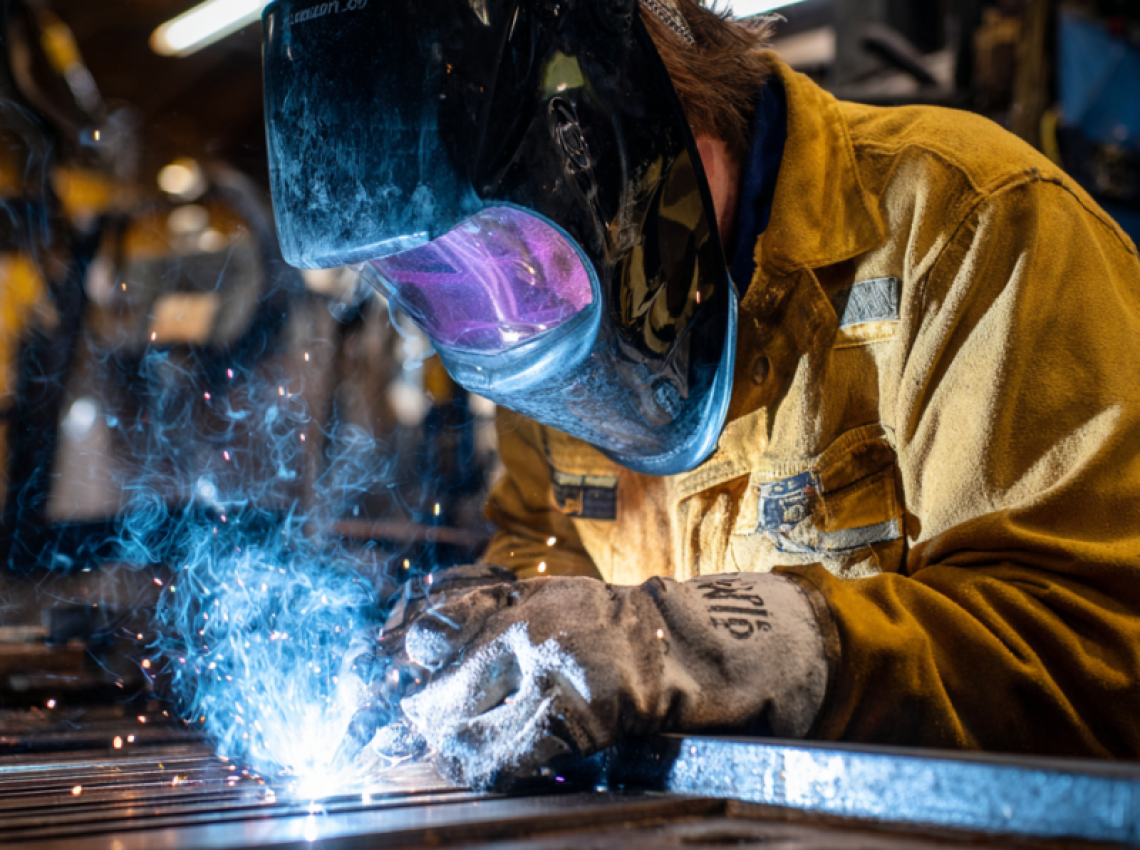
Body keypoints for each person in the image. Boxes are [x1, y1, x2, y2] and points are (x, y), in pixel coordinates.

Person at [262, 0, 1140, 787]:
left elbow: (1094, 660)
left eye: (502, 257)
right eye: (434, 282)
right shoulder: (541, 339)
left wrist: (696, 646)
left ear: (615, 131)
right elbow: (548, 555)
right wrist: (492, 644)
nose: (499, 310)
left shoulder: (976, 228)